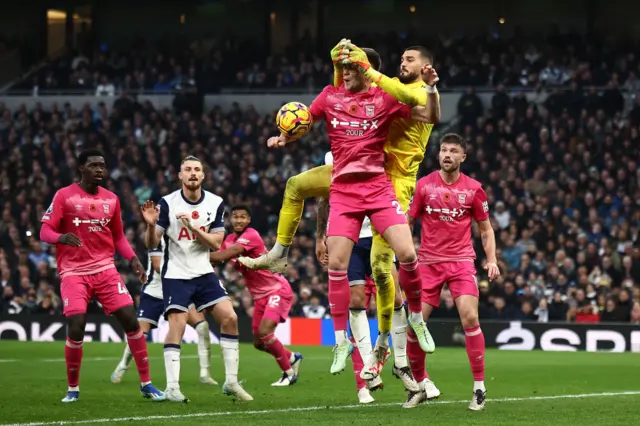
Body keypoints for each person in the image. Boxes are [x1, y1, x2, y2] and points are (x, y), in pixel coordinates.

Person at [240, 42, 440, 379]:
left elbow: (427, 110)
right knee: (295, 186)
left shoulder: (397, 91)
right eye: (401, 57)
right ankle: (280, 252)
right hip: (351, 176)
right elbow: (326, 101)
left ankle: (391, 343)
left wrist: (422, 85)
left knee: (384, 265)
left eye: (409, 59)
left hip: (391, 179)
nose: (402, 62)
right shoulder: (352, 92)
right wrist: (287, 137)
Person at [39, 148, 165, 403]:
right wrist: (61, 237)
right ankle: (73, 389)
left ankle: (146, 384)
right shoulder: (64, 196)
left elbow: (117, 236)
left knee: (131, 320)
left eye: (103, 165)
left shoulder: (112, 199)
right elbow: (44, 231)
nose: (100, 170)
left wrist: (133, 259)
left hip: (105, 269)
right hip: (73, 272)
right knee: (76, 326)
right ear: (81, 168)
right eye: (94, 165)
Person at [141, 155, 252, 402]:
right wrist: (150, 226)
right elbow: (152, 243)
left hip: (203, 273)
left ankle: (231, 382)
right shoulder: (167, 203)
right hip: (176, 274)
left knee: (230, 318)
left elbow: (216, 242)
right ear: (180, 175)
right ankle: (172, 388)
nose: (192, 173)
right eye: (188, 169)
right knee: (177, 326)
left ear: (203, 176)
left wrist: (192, 228)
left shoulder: (215, 202)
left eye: (197, 170)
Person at [404, 133, 500, 410]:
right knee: (415, 324)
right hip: (428, 263)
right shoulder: (424, 186)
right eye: (444, 150)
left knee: (470, 318)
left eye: (453, 151)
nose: (447, 154)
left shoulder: (473, 189)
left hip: (461, 262)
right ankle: (420, 385)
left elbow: (486, 230)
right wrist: (406, 255)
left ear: (462, 157)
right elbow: (408, 222)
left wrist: (491, 259)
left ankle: (479, 388)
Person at [316, 151, 417, 402]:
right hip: (348, 234)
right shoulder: (331, 156)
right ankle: (369, 370)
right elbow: (323, 199)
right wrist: (320, 236)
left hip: (378, 233)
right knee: (357, 301)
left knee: (394, 297)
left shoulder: (379, 146)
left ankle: (401, 364)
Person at [210, 205, 303, 386]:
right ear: (230, 220)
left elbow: (227, 254)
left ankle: (289, 374)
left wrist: (195, 257)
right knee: (259, 343)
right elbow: (218, 254)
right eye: (235, 217)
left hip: (276, 289)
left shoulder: (251, 235)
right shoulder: (228, 239)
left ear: (249, 220)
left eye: (243, 217)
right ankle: (292, 357)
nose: (238, 220)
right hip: (259, 296)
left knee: (265, 332)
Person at [110, 240, 217, 386]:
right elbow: (157, 265)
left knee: (202, 326)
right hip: (154, 293)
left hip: (178, 291)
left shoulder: (183, 238)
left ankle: (205, 373)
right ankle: (122, 366)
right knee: (139, 334)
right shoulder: (158, 236)